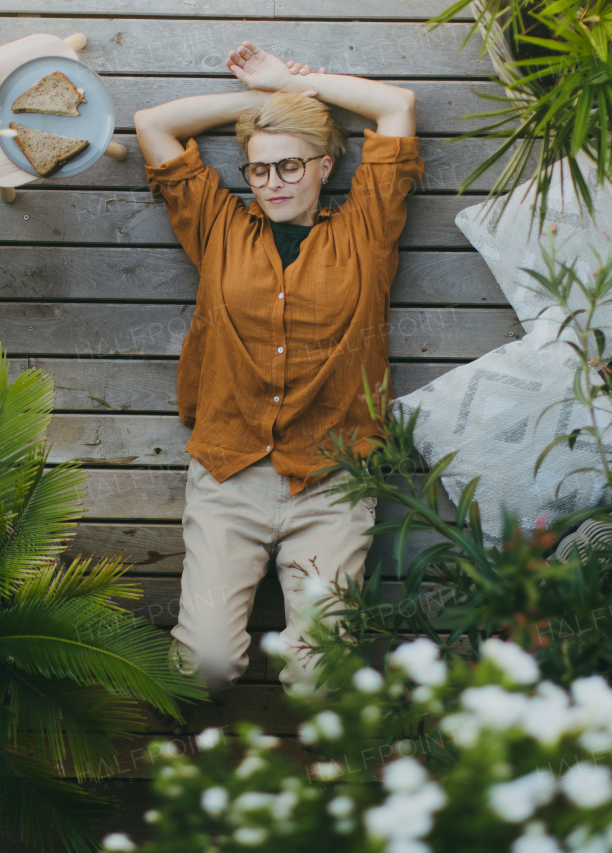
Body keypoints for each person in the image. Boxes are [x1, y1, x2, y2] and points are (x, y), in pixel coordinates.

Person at [135, 41, 422, 696]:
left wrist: (296, 85)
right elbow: (154, 125)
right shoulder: (218, 227)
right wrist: (266, 102)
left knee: (316, 681)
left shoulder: (367, 232)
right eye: (259, 170)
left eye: (290, 164)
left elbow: (396, 106)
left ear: (324, 166)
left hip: (330, 482)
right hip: (228, 475)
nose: (274, 183)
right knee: (202, 668)